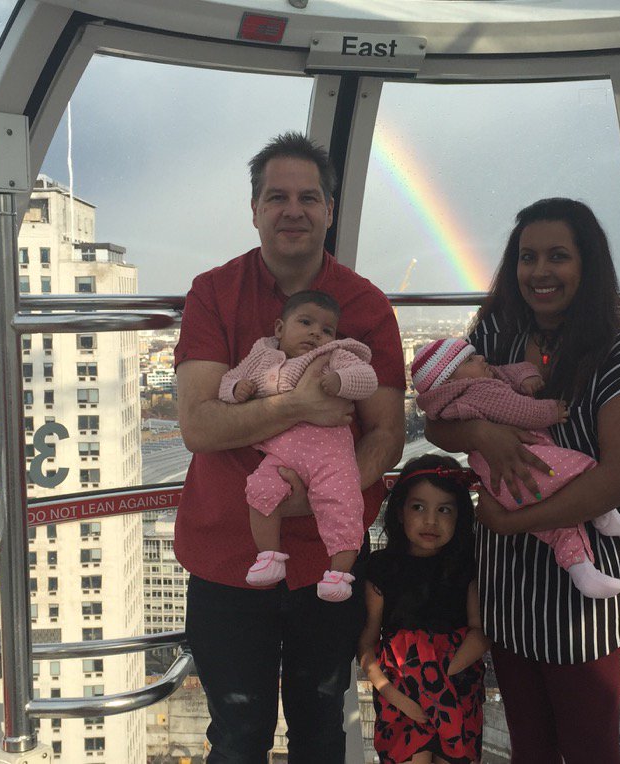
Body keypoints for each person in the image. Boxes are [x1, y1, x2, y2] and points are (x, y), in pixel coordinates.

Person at [175, 132, 405, 763]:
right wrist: (296, 407)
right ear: (254, 209)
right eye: (276, 197)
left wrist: (320, 498)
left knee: (320, 730)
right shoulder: (214, 292)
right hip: (227, 552)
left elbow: (387, 434)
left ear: (330, 209)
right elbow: (197, 425)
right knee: (237, 736)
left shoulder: (365, 305)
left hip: (329, 558)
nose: (292, 211)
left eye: (308, 198)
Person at [425, 197, 620, 763]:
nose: (540, 272)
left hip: (584, 595)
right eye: (527, 257)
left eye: (558, 256)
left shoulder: (619, 357)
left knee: (588, 748)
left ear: (588, 265)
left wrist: (515, 521)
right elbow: (436, 421)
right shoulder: (495, 338)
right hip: (510, 586)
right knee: (530, 746)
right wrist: (483, 434)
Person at [411, 337, 620, 598]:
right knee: (584, 468)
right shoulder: (480, 388)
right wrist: (552, 411)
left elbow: (505, 372)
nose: (482, 358)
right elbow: (519, 410)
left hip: (505, 490)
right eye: (471, 359)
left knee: (560, 529)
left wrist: (526, 376)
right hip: (529, 466)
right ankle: (602, 514)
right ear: (450, 381)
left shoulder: (469, 382)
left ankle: (582, 570)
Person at [219, 289, 378, 601]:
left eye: (327, 330)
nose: (316, 333)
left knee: (343, 505)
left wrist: (342, 381)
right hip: (281, 452)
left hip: (330, 453)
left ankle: (339, 574)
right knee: (260, 489)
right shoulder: (260, 358)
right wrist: (236, 389)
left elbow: (367, 377)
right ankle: (269, 556)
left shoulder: (334, 354)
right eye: (305, 323)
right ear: (280, 328)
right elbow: (227, 380)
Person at [358, 454, 491, 764]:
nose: (431, 521)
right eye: (418, 507)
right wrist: (391, 692)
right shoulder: (381, 568)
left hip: (458, 690)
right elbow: (367, 641)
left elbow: (481, 631)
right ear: (400, 512)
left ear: (459, 516)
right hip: (400, 697)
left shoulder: (467, 566)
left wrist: (443, 676)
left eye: (444, 510)